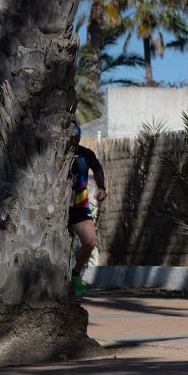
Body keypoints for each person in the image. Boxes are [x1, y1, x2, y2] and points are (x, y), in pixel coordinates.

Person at [68, 123, 107, 296]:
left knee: (90, 240)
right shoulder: (53, 154)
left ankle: (75, 274)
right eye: (72, 135)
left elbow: (97, 169)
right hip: (54, 208)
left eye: (78, 135)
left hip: (78, 206)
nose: (75, 139)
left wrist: (101, 187)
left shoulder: (86, 154)